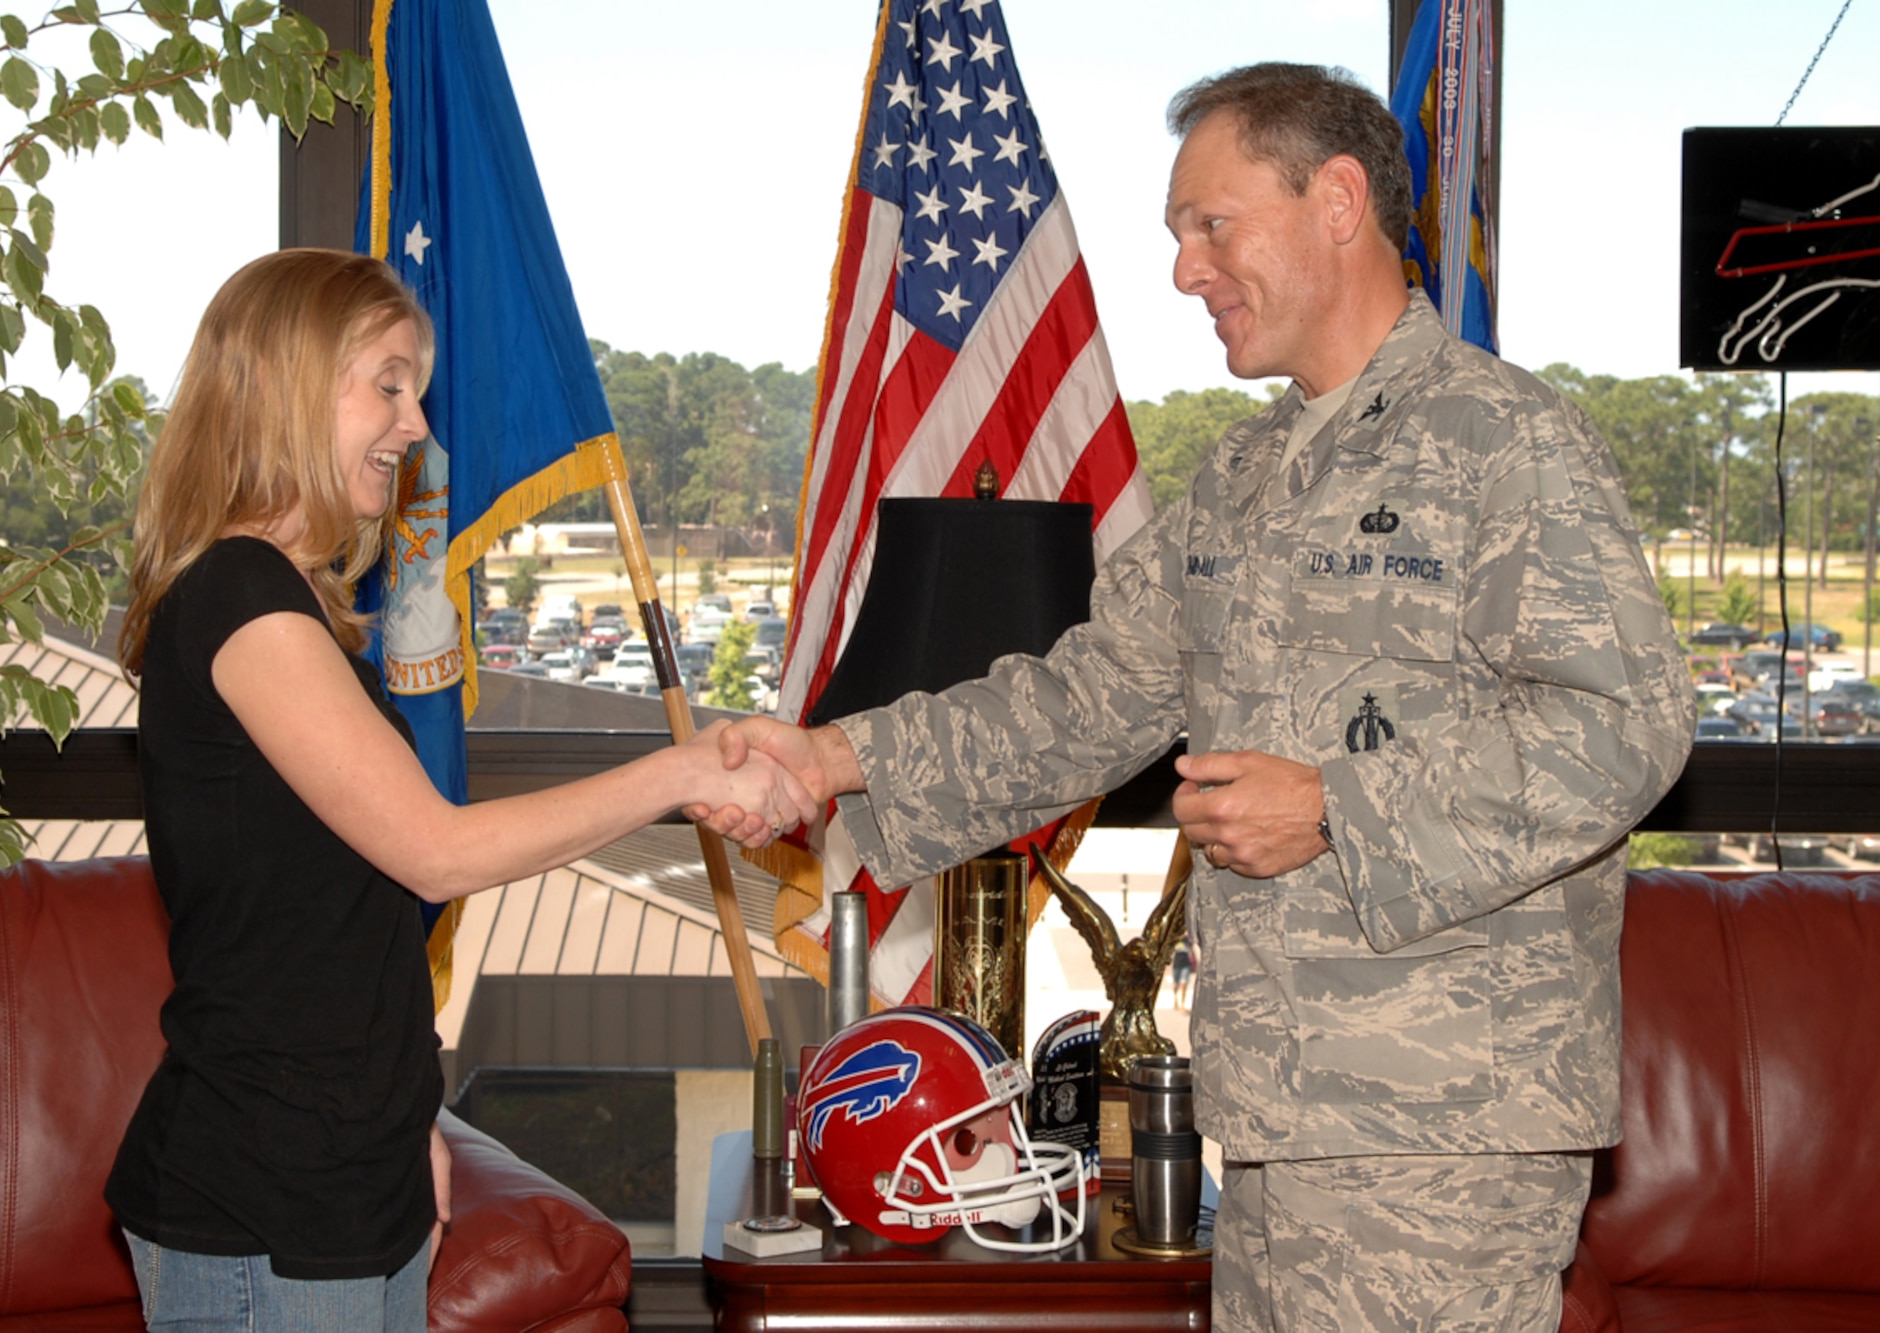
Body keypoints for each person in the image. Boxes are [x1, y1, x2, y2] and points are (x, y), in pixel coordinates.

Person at [699, 63, 1695, 1331]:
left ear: (1337, 201)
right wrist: (832, 757)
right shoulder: (1242, 475)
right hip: (1272, 1112)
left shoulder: (1504, 441)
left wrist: (1333, 807)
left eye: (1211, 224)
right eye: (1178, 234)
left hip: (1442, 1132)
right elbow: (1085, 697)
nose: (1183, 270)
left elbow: (1621, 725)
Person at [107, 249, 812, 1333]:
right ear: (290, 385)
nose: (417, 425)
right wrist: (680, 771)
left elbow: (330, 934)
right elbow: (432, 850)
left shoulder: (288, 598)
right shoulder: (240, 596)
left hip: (355, 1178)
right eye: (389, 385)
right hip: (264, 1202)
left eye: (418, 390)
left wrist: (410, 1123)